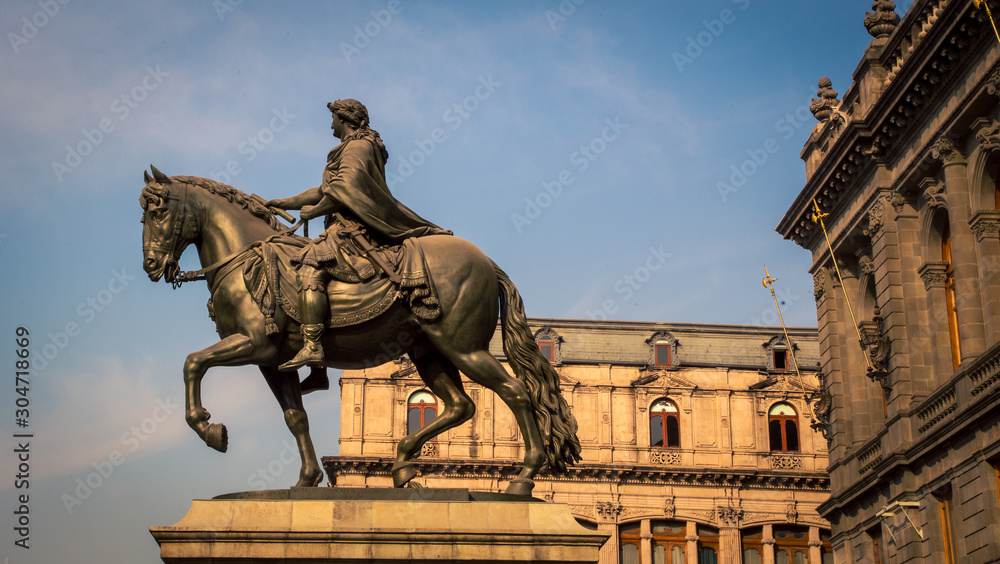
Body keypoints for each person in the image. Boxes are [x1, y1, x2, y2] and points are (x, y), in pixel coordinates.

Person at [269, 99, 449, 371]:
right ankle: (319, 372)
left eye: (333, 119)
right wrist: (283, 202)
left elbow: (345, 188)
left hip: (351, 231)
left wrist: (314, 212)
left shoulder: (357, 147)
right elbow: (325, 190)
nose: (330, 124)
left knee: (308, 269)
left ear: (344, 120)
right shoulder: (354, 148)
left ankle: (313, 347)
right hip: (344, 227)